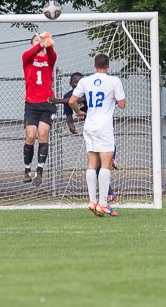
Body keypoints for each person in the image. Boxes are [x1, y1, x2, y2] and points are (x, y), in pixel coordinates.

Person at [69, 53, 126, 217]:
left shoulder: (85, 81)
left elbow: (72, 101)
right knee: (106, 164)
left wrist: (78, 112)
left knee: (92, 163)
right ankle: (103, 204)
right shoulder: (114, 81)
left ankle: (92, 201)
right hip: (104, 126)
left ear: (94, 66)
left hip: (90, 125)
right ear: (108, 66)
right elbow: (122, 105)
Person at [49, 73, 119, 202]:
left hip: (102, 123)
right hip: (91, 128)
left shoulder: (87, 91)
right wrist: (70, 124)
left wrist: (56, 100)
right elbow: (68, 113)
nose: (77, 84)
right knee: (96, 163)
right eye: (75, 82)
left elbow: (76, 101)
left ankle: (113, 158)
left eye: (79, 81)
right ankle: (109, 194)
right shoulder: (68, 95)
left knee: (103, 156)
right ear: (70, 84)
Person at [22, 32, 57, 186]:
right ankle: (26, 170)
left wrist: (47, 42)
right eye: (36, 40)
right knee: (30, 136)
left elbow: (52, 53)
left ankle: (40, 171)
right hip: (31, 104)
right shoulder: (28, 57)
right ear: (32, 45)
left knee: (43, 135)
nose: (39, 42)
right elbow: (30, 53)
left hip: (47, 103)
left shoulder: (48, 59)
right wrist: (40, 44)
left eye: (40, 40)